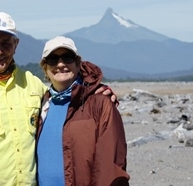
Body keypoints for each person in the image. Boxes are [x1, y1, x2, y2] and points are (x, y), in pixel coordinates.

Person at [0, 12, 116, 186]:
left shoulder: (32, 84)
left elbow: (65, 88)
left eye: (6, 43)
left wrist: (96, 90)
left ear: (16, 44)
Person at [37, 36, 129, 186]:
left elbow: (111, 167)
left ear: (78, 63)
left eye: (67, 57)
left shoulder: (100, 103)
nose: (60, 64)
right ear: (45, 68)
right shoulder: (41, 104)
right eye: (53, 59)